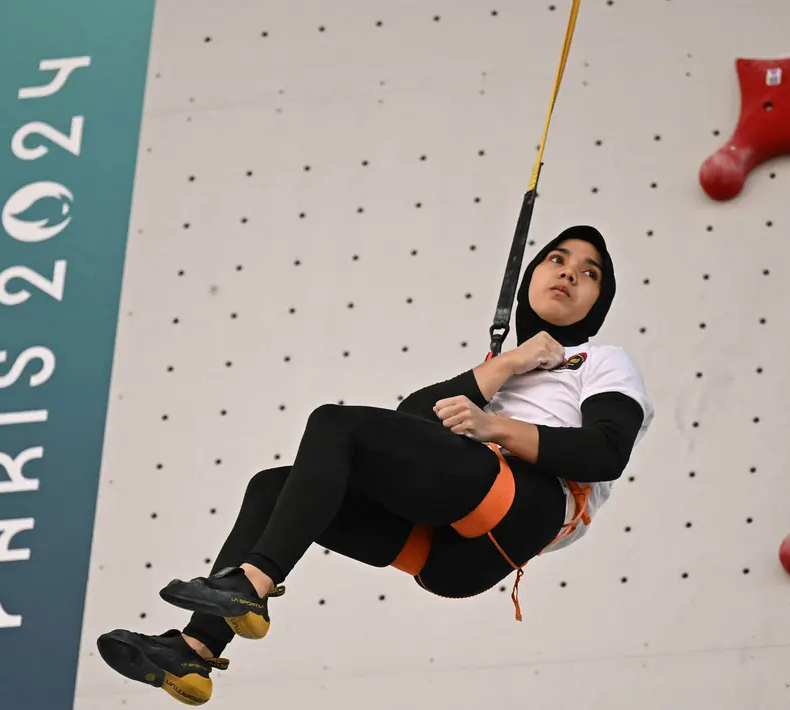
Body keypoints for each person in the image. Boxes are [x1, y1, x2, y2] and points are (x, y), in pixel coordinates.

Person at [95, 224, 655, 705]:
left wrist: (494, 426)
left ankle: (254, 583)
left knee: (335, 423)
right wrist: (509, 362)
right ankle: (193, 652)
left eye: (590, 272)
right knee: (273, 487)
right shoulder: (506, 365)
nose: (569, 273)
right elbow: (410, 422)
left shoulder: (602, 361)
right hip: (448, 557)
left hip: (520, 512)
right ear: (531, 275)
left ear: (598, 302)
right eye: (557, 259)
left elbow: (605, 453)